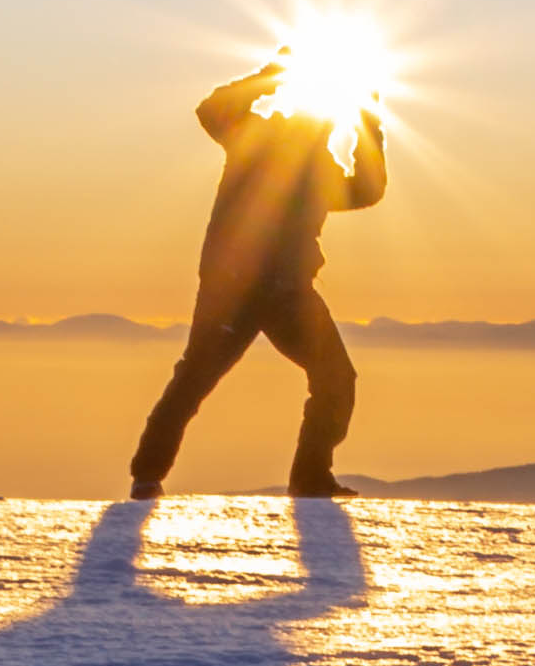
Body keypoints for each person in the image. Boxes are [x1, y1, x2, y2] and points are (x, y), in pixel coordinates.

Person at [127, 56, 386, 500]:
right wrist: (270, 77)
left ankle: (308, 479)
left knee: (334, 380)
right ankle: (148, 476)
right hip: (236, 289)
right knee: (196, 379)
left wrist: (367, 125)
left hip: (285, 294)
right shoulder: (255, 141)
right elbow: (211, 110)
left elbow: (367, 189)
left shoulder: (316, 168)